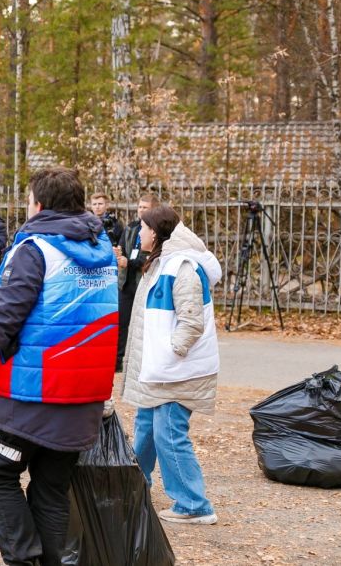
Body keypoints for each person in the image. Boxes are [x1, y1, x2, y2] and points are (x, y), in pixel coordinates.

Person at [0, 166, 119, 566]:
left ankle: (23, 559)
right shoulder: (103, 253)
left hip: (32, 390)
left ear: (39, 204)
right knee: (51, 488)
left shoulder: (35, 249)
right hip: (82, 394)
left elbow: (2, 319)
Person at [123, 204, 222, 526]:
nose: (139, 232)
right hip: (159, 370)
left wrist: (170, 354)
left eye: (143, 227)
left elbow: (191, 322)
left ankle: (194, 504)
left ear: (158, 232)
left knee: (168, 434)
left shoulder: (182, 268)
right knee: (146, 429)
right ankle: (136, 487)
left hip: (174, 372)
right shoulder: (160, 264)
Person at [115, 192, 160, 371]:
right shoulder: (131, 227)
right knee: (122, 322)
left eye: (145, 208)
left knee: (143, 324)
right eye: (139, 207)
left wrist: (130, 262)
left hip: (142, 281)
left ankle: (143, 362)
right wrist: (119, 255)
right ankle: (118, 362)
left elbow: (151, 257)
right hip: (126, 282)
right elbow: (123, 248)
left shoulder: (156, 230)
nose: (141, 210)